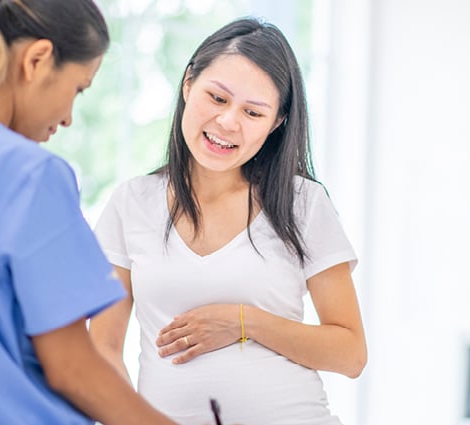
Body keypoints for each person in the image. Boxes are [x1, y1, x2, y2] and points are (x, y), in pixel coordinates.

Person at [0, 1, 177, 424]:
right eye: (78, 89)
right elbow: (73, 370)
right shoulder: (27, 174)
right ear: (38, 60)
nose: (68, 119)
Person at [90, 17, 368, 425]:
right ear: (188, 84)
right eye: (217, 99)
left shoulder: (302, 203)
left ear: (276, 123)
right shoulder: (132, 203)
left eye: (253, 112)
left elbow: (350, 354)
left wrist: (244, 322)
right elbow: (103, 350)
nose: (228, 123)